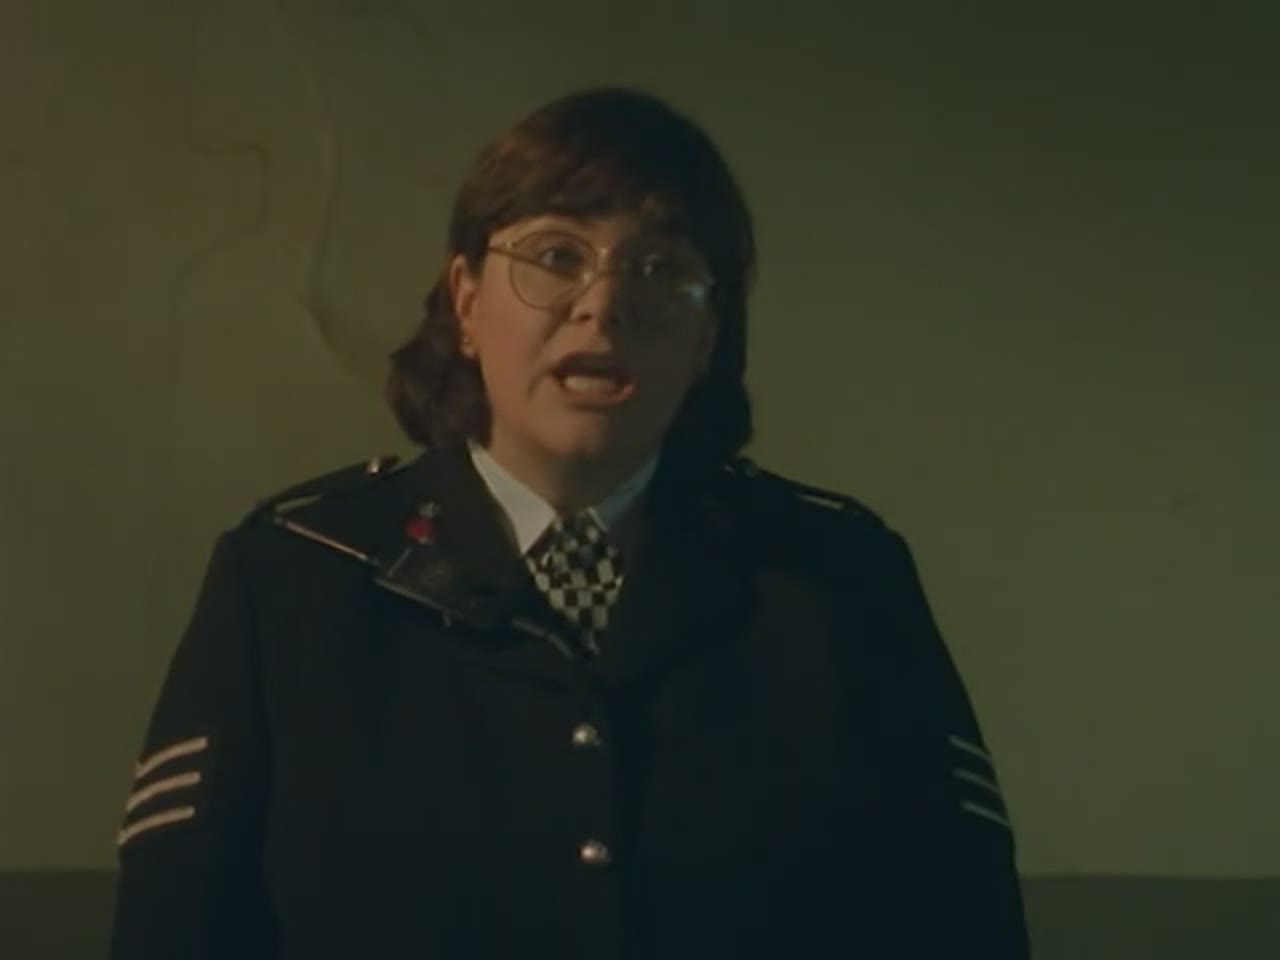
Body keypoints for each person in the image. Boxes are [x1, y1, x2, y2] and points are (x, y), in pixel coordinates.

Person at [109, 87, 1031, 959]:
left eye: (661, 269)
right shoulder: (296, 573)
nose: (603, 304)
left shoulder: (837, 579)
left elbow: (962, 924)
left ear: (707, 339)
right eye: (555, 257)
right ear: (467, 303)